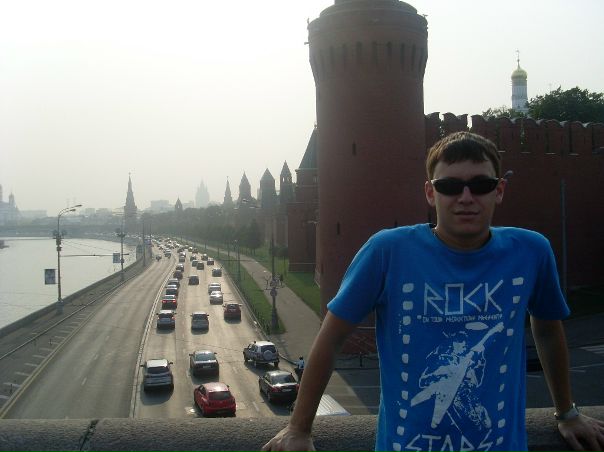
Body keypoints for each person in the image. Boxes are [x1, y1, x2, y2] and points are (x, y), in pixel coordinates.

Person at [261, 132, 604, 452]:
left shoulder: (530, 251)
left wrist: (567, 412)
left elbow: (547, 331)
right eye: (450, 186)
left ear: (499, 190)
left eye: (481, 185)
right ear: (430, 192)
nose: (466, 198)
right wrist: (299, 427)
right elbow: (332, 337)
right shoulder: (388, 252)